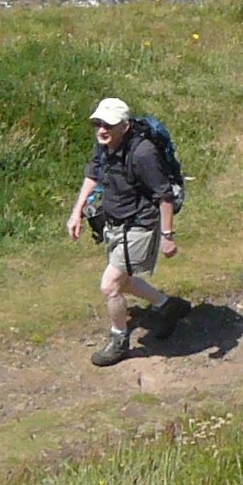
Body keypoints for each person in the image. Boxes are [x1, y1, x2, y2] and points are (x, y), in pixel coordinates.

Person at [66, 96, 188, 366]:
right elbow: (93, 175)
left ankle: (119, 341)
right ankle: (168, 306)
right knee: (124, 281)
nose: (101, 129)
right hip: (116, 223)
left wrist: (167, 236)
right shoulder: (104, 145)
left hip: (140, 225)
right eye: (98, 123)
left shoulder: (143, 153)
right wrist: (76, 212)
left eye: (108, 124)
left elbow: (164, 195)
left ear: (125, 125)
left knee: (110, 285)